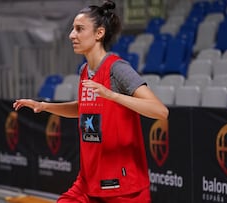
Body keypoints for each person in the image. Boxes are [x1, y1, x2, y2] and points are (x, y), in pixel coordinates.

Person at [13, 0, 169, 202]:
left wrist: (112, 95)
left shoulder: (118, 69)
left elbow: (160, 111)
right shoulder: (84, 71)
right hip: (89, 180)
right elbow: (84, 109)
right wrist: (44, 106)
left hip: (122, 187)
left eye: (79, 29)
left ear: (99, 33)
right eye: (72, 29)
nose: (71, 35)